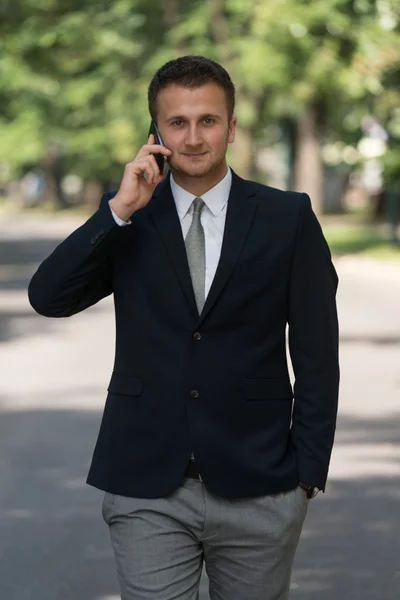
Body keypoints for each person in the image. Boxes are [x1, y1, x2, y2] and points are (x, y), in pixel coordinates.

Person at [28, 55, 339, 600]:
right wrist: (117, 211)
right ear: (156, 132)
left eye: (208, 120)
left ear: (232, 127)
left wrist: (306, 476)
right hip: (146, 483)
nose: (193, 137)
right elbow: (49, 297)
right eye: (177, 122)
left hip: (259, 485)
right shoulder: (132, 217)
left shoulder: (287, 217)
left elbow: (317, 356)